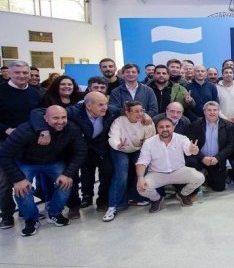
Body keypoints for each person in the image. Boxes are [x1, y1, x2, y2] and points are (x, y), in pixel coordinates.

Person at [0, 106, 86, 236]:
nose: (60, 121)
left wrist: (68, 174)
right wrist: (18, 179)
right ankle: (31, 219)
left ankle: (55, 214)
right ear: (45, 118)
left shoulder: (71, 129)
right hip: (26, 162)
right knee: (22, 189)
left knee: (66, 183)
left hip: (54, 161)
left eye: (63, 117)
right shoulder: (25, 130)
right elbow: (4, 154)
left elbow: (81, 151)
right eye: (56, 118)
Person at [0, 61, 48, 229]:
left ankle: (25, 209)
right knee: (6, 181)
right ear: (9, 73)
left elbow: (41, 114)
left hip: (30, 142)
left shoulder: (36, 93)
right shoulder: (2, 90)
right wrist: (6, 129)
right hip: (5, 142)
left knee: (29, 177)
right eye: (17, 72)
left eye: (24, 72)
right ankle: (6, 215)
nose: (21, 75)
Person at [134, 117, 204, 212]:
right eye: (161, 127)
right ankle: (157, 199)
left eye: (168, 126)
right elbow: (142, 162)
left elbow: (188, 148)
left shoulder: (181, 138)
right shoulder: (149, 143)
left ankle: (183, 194)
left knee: (199, 177)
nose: (165, 129)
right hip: (157, 173)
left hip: (178, 171)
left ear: (173, 127)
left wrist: (193, 150)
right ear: (157, 128)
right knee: (141, 188)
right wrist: (140, 178)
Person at [103, 101, 155, 221]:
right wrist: (118, 145)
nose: (140, 114)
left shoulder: (147, 122)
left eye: (142, 111)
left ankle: (136, 197)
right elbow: (113, 138)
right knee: (121, 172)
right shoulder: (119, 121)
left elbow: (150, 141)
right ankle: (114, 205)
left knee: (141, 170)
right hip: (120, 149)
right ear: (127, 112)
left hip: (139, 149)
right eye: (136, 111)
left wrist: (145, 155)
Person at [186, 101, 233, 192]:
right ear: (204, 112)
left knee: (219, 188)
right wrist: (202, 157)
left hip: (216, 159)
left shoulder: (227, 125)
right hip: (200, 158)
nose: (212, 112)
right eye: (209, 110)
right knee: (191, 162)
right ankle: (200, 175)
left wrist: (217, 158)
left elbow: (230, 145)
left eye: (215, 110)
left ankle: (207, 178)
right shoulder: (196, 125)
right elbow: (190, 144)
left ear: (218, 111)